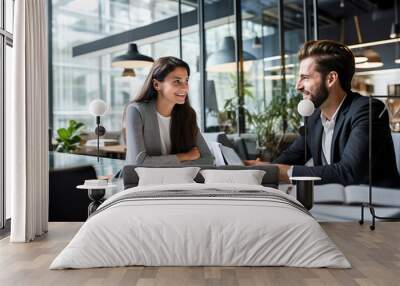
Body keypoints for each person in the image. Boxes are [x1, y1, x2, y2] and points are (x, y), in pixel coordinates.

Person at [257, 40, 399, 187]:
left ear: (331, 79)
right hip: (335, 201)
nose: (298, 86)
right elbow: (291, 156)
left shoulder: (368, 109)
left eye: (305, 78)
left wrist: (282, 172)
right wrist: (259, 170)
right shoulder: (314, 118)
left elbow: (349, 172)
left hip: (377, 204)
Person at [124, 56, 214, 166]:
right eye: (177, 81)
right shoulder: (136, 111)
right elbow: (139, 162)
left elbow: (208, 159)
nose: (185, 87)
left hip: (178, 181)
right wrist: (185, 156)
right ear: (157, 85)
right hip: (141, 182)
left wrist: (161, 163)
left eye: (186, 80)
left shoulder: (188, 115)